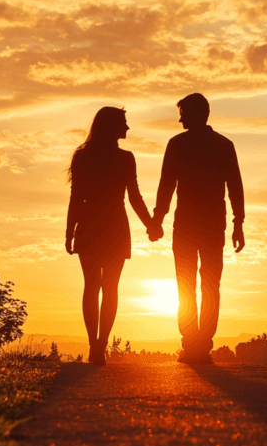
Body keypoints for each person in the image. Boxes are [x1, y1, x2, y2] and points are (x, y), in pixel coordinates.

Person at [150, 93, 245, 364]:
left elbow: (166, 185)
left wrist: (158, 219)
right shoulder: (224, 145)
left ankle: (193, 343)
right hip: (213, 223)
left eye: (183, 113)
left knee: (188, 284)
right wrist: (238, 222)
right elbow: (235, 187)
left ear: (195, 113)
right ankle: (200, 345)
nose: (180, 119)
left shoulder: (177, 144)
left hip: (188, 224)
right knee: (209, 285)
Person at [66, 107, 156, 365]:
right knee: (109, 288)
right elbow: (135, 197)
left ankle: (95, 345)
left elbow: (76, 198)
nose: (127, 128)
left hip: (89, 227)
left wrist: (70, 231)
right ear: (112, 126)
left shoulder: (83, 157)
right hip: (114, 228)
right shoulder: (125, 158)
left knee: (92, 286)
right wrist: (150, 224)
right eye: (124, 123)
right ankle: (100, 344)